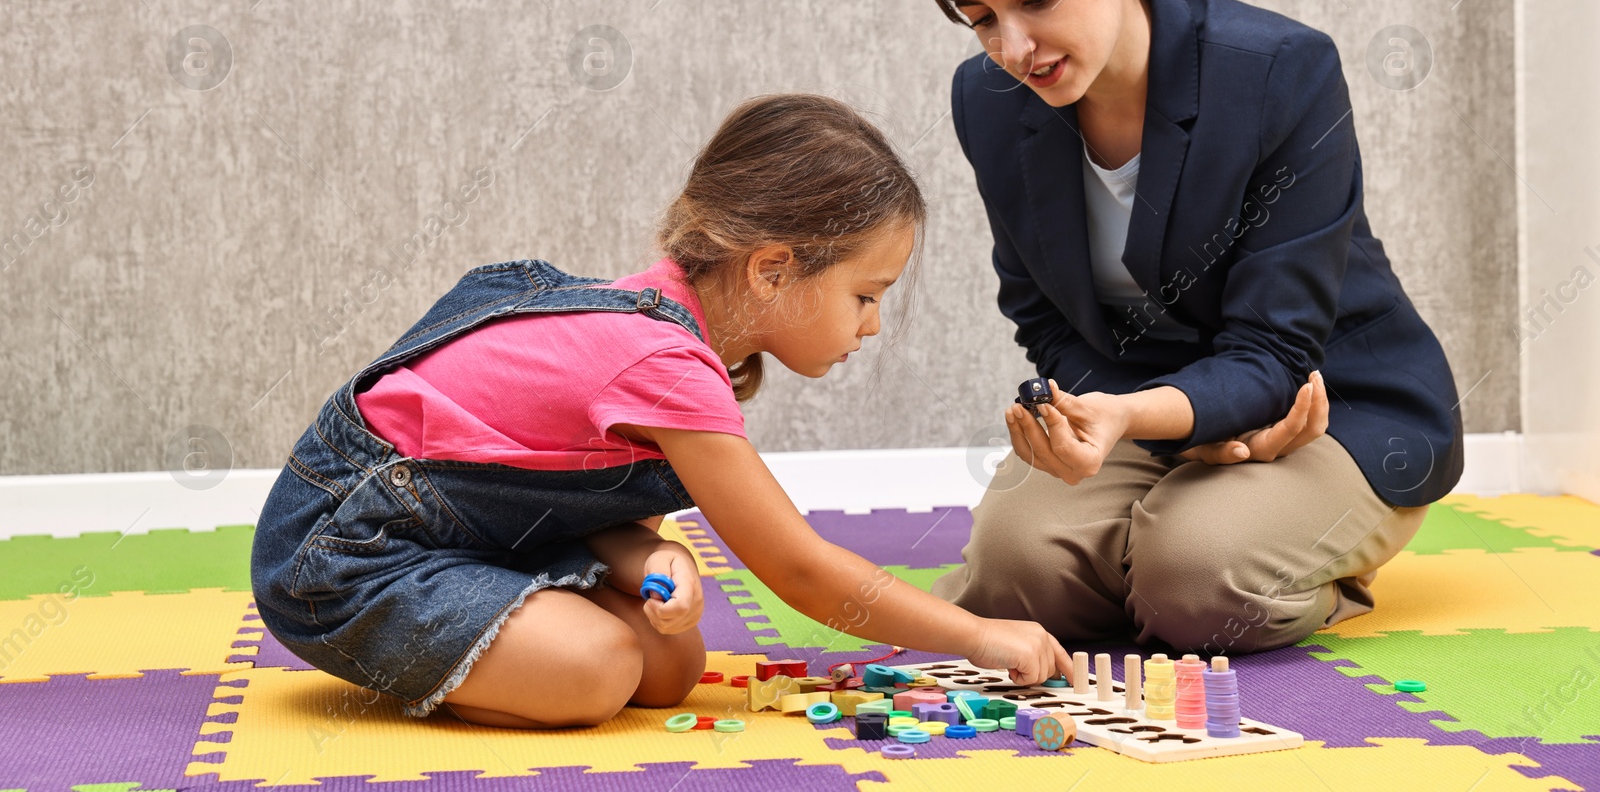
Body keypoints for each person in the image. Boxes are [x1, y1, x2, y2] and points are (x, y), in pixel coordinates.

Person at [250, 93, 1071, 729]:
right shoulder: (661, 361)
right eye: (865, 294)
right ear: (773, 270)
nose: (872, 325)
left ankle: (491, 643)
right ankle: (443, 674)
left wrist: (642, 553)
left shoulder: (663, 320)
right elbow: (799, 569)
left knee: (670, 666)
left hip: (449, 527)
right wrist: (978, 635)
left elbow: (544, 467)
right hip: (340, 553)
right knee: (600, 667)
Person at [920, 0, 1463, 656]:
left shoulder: (1282, 71)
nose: (1014, 48)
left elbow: (1278, 347)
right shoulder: (989, 99)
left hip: (1329, 405)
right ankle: (1170, 527)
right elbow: (1044, 315)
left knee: (1197, 581)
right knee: (1012, 574)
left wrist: (1161, 421)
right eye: (981, 18)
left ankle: (1305, 566)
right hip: (1142, 402)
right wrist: (1157, 425)